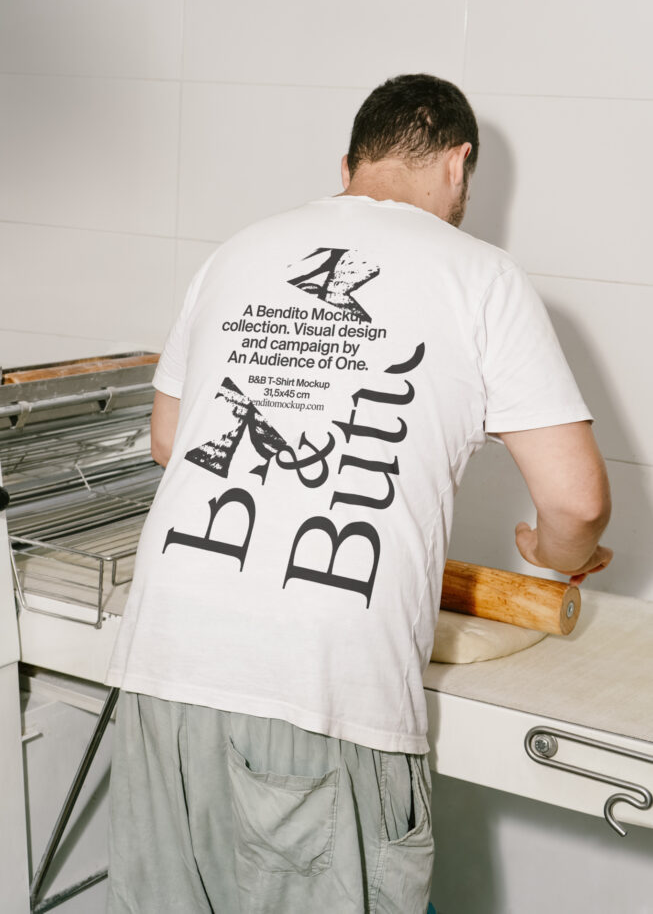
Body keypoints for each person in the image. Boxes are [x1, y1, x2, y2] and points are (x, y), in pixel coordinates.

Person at [104, 73, 612, 914]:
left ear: (346, 166)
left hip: (164, 655)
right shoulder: (479, 274)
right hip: (319, 681)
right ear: (458, 165)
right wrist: (554, 559)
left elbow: (169, 441)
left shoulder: (238, 251)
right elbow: (577, 503)